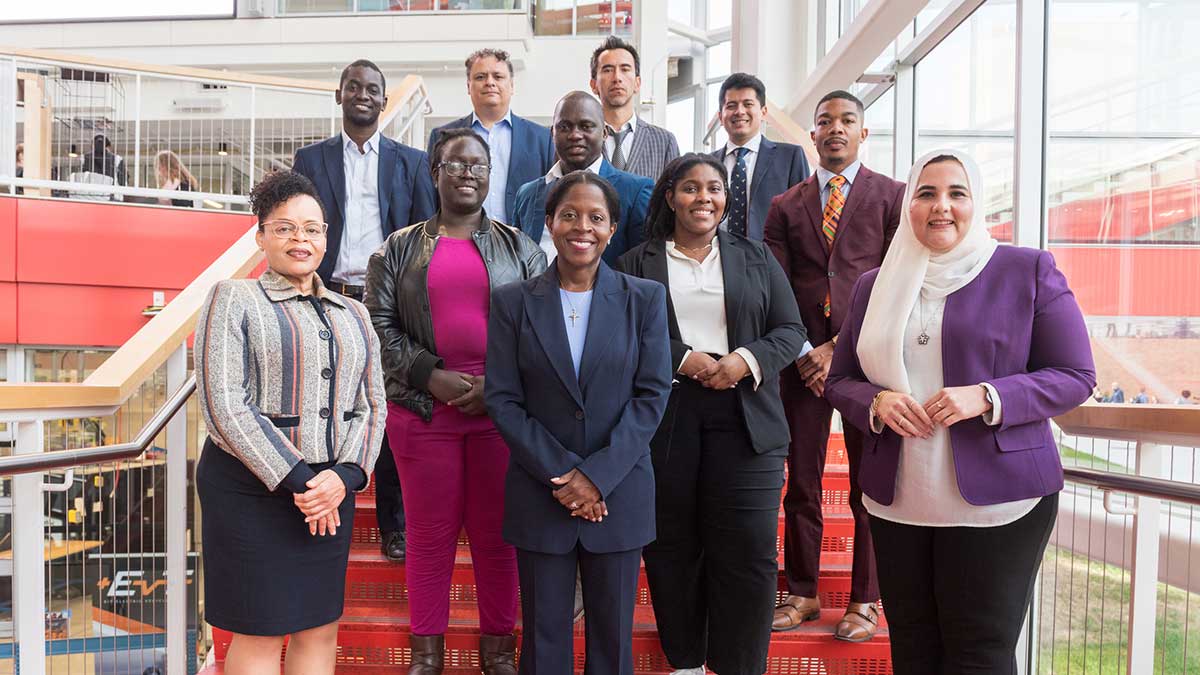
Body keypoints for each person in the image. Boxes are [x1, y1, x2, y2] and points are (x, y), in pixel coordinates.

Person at [825, 149, 1096, 674]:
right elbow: (840, 381)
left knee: (979, 653)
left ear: (977, 203)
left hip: (1000, 499)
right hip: (899, 497)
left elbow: (1074, 375)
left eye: (957, 193)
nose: (941, 206)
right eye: (926, 193)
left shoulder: (1026, 270)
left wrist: (988, 396)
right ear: (908, 205)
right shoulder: (873, 285)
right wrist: (876, 401)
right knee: (914, 649)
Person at [365, 128, 545, 675]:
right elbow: (379, 325)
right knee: (428, 536)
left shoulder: (522, 247)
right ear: (434, 172)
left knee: (497, 536)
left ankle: (498, 652)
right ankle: (426, 654)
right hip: (422, 412)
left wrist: (499, 387)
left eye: (479, 165)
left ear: (491, 176)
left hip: (502, 415)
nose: (468, 173)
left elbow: (543, 331)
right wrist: (430, 375)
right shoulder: (396, 248)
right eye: (455, 164)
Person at [617, 153, 806, 675]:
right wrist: (681, 357)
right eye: (691, 188)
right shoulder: (636, 262)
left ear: (726, 199)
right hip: (667, 417)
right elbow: (621, 333)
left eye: (715, 188)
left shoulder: (756, 257)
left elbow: (789, 331)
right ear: (670, 197)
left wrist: (743, 361)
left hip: (746, 418)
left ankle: (739, 665)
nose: (704, 198)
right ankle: (685, 663)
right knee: (673, 547)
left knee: (748, 553)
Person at [194, 169, 386, 675]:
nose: (300, 239)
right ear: (260, 236)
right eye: (284, 228)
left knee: (319, 627)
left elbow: (373, 406)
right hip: (251, 491)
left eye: (313, 228)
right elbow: (224, 405)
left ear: (327, 238)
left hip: (331, 490)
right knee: (260, 631)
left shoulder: (354, 313)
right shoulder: (232, 298)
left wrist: (344, 478)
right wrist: (304, 483)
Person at [485, 171, 672, 675]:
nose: (581, 227)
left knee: (612, 643)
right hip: (541, 493)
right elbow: (503, 399)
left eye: (595, 217)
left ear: (612, 228)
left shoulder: (645, 299)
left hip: (618, 496)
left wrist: (597, 478)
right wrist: (566, 476)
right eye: (569, 215)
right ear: (549, 223)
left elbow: (651, 395)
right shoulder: (512, 302)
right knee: (544, 643)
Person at [764, 89, 905, 641]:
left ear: (863, 132)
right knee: (801, 481)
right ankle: (801, 592)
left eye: (847, 120)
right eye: (825, 122)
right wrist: (805, 352)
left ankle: (864, 600)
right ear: (813, 135)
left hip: (865, 362)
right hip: (799, 365)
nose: (835, 129)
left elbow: (895, 284)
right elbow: (773, 288)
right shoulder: (785, 205)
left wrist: (838, 349)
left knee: (866, 486)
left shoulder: (891, 197)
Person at [292, 58, 437, 564]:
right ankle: (320, 509)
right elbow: (299, 226)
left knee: (385, 408)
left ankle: (394, 525)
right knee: (323, 403)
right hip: (326, 293)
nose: (363, 95)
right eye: (353, 87)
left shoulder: (412, 162)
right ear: (339, 96)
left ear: (384, 100)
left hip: (384, 300)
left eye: (373, 89)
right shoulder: (310, 160)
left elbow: (424, 237)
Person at [512, 91, 653, 265]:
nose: (575, 135)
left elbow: (642, 267)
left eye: (586, 126)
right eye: (564, 127)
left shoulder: (635, 192)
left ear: (604, 133)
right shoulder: (527, 194)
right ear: (552, 132)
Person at [427, 48, 554, 225]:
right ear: (468, 86)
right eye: (480, 77)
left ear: (512, 86)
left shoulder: (542, 139)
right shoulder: (443, 137)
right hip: (460, 241)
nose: (489, 82)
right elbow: (431, 198)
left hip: (521, 245)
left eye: (498, 76)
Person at [712, 73, 810, 241]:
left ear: (763, 112)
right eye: (731, 106)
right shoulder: (708, 163)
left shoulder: (790, 157)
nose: (739, 111)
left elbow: (803, 218)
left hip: (770, 260)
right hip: (718, 258)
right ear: (721, 116)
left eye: (748, 104)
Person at [588, 36, 680, 180]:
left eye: (625, 69)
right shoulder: (582, 139)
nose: (617, 77)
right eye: (607, 70)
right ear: (594, 85)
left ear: (637, 83)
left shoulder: (664, 142)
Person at [71, 133, 128, 201]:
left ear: (93, 145)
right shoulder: (117, 159)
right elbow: (123, 182)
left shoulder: (84, 158)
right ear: (108, 146)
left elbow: (79, 178)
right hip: (111, 197)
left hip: (89, 196)